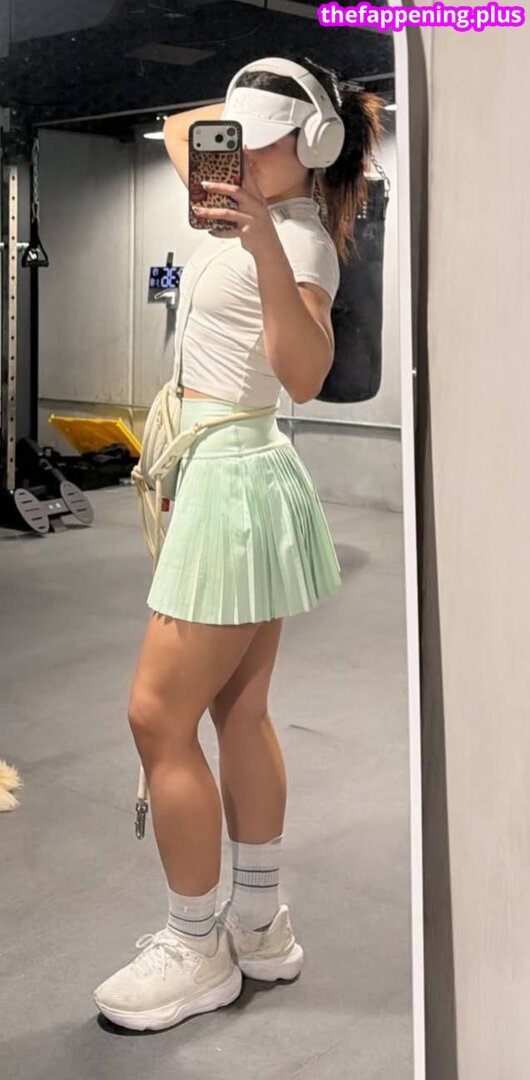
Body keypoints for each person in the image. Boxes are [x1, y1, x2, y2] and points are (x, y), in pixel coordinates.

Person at [93, 54, 386, 1032]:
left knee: (155, 717)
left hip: (236, 476)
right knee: (239, 709)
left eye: (260, 143)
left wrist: (261, 234)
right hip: (224, 468)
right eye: (237, 141)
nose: (236, 155)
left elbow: (303, 374)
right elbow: (190, 132)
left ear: (312, 147)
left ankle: (195, 948)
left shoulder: (300, 244)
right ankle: (257, 927)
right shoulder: (236, 201)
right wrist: (240, 146)